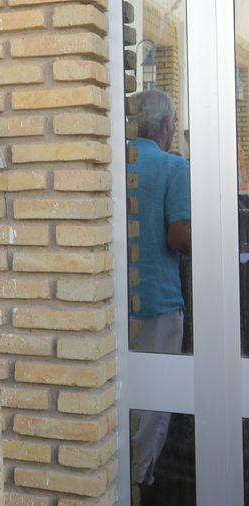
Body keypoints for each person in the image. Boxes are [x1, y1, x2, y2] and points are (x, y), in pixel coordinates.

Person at [126, 89, 191, 487]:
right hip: (160, 303)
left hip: (120, 304)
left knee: (126, 400)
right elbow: (178, 236)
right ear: (166, 125)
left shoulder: (118, 161)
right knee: (153, 407)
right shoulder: (173, 166)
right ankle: (139, 483)